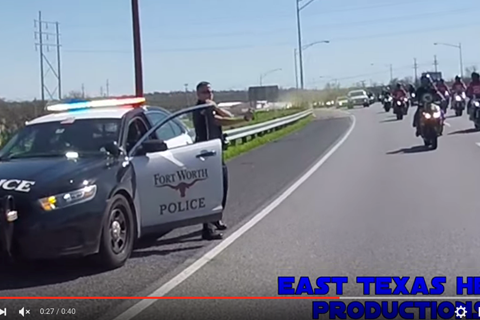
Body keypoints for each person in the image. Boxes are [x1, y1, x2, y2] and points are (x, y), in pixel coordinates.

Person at [192, 81, 254, 240]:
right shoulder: (201, 108)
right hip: (206, 155)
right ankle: (208, 228)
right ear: (198, 95)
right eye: (205, 92)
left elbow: (228, 115)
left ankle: (216, 218)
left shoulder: (210, 106)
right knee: (211, 190)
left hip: (216, 153)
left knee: (222, 187)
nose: (209, 95)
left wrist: (216, 106)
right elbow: (220, 121)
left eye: (210, 92)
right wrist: (243, 120)